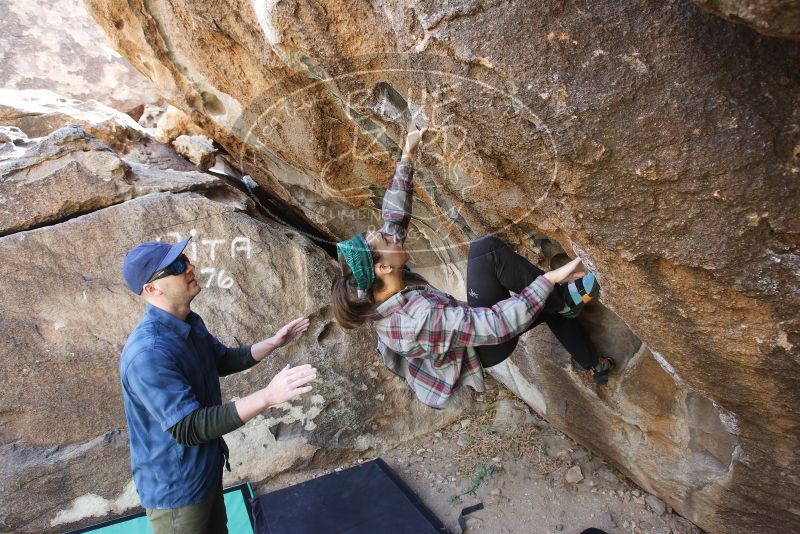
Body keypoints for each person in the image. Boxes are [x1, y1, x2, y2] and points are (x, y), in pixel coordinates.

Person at [331, 119, 614, 408]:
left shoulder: (376, 284)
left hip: (461, 327)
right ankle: (562, 301)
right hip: (482, 348)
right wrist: (550, 279)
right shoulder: (415, 322)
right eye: (385, 241)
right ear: (384, 267)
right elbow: (497, 324)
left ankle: (591, 359)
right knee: (525, 286)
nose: (392, 236)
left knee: (531, 293)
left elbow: (394, 219)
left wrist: (407, 153)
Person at [120, 237, 317, 533]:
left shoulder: (187, 323)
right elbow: (189, 427)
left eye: (185, 259)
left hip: (204, 471)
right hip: (176, 489)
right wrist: (268, 396)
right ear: (152, 288)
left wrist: (274, 343)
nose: (190, 267)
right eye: (177, 265)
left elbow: (221, 360)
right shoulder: (149, 354)